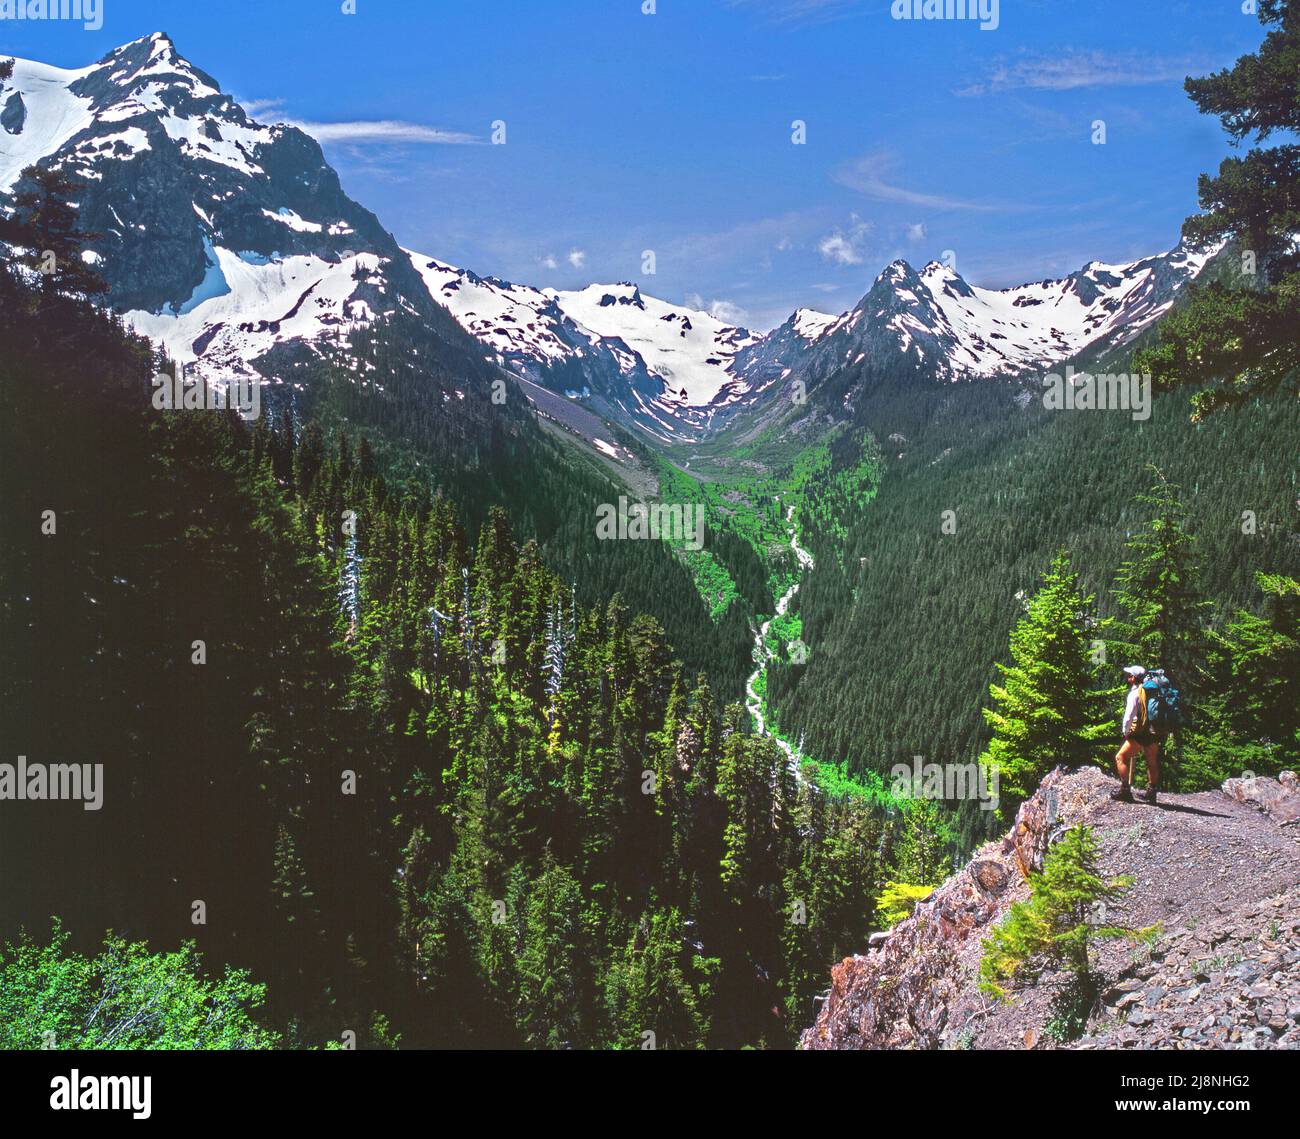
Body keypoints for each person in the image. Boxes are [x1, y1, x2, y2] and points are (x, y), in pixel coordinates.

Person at [1112, 665, 1161, 804]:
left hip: (1140, 733)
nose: (1128, 678)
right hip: (1154, 731)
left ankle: (1125, 790)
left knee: (1120, 757)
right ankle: (1152, 793)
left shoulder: (1135, 694)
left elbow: (1128, 717)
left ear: (1134, 678)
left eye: (1130, 675)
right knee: (1152, 761)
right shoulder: (1153, 691)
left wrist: (1125, 732)